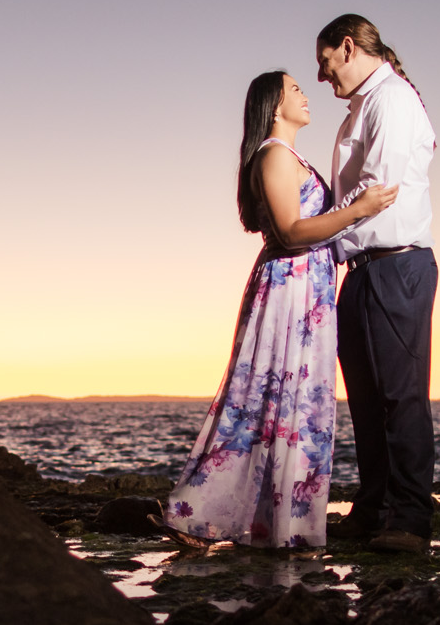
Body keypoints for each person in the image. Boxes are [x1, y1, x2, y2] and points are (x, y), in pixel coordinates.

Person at [164, 71, 398, 548]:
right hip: (288, 287)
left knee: (294, 403)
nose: (306, 96)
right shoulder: (273, 155)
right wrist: (360, 209)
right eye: (295, 90)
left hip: (307, 289)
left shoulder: (291, 157)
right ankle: (199, 512)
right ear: (274, 105)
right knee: (264, 397)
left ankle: (276, 521)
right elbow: (291, 231)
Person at [315, 13, 439, 554]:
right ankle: (372, 509)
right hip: (362, 268)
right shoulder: (360, 109)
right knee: (365, 400)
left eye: (324, 63)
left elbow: (376, 189)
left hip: (396, 264)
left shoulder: (390, 99)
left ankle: (410, 520)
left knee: (400, 397)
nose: (323, 78)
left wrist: (316, 241)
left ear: (347, 47)